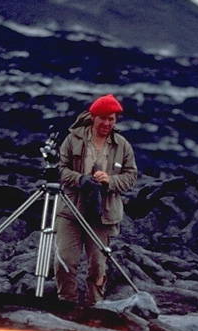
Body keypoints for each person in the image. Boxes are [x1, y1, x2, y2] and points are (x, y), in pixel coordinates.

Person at [53, 93, 138, 307]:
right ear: (93, 117)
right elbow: (60, 170)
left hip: (104, 214)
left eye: (112, 119)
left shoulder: (122, 145)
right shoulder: (73, 140)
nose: (107, 123)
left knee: (98, 265)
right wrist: (79, 179)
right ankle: (66, 303)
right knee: (66, 260)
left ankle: (95, 306)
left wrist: (110, 181)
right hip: (72, 210)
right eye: (103, 118)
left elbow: (131, 176)